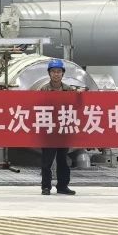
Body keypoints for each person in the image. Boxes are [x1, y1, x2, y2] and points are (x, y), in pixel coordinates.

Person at [38, 59, 79, 196]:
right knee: (47, 161)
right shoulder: (43, 90)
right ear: (49, 73)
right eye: (53, 71)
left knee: (63, 160)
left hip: (63, 130)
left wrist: (80, 96)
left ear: (63, 73)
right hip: (49, 130)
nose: (56, 74)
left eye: (59, 71)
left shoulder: (69, 90)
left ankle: (62, 186)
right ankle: (46, 187)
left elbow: (76, 106)